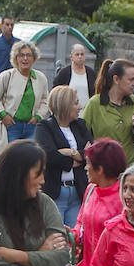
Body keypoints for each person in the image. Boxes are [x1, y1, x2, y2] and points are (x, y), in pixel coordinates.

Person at [34, 85, 92, 228]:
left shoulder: (80, 125)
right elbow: (48, 156)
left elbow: (92, 152)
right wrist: (78, 158)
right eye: (76, 103)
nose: (80, 107)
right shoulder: (44, 127)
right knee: (56, 237)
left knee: (75, 238)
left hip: (77, 191)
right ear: (65, 105)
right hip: (55, 193)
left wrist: (70, 152)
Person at [83, 59, 134, 165]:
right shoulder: (94, 104)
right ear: (116, 79)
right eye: (131, 79)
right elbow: (82, 135)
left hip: (128, 170)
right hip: (103, 169)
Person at [0, 41, 50, 151]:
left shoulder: (41, 78)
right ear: (16, 58)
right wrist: (3, 115)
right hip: (11, 126)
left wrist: (38, 117)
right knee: (12, 159)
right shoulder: (6, 76)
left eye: (28, 55)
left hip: (32, 127)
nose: (25, 58)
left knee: (30, 159)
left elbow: (45, 100)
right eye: (21, 55)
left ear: (34, 58)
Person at [52, 43, 95, 109]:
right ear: (71, 57)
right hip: (68, 114)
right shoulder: (64, 73)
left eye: (82, 54)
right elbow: (55, 92)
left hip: (86, 113)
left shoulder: (91, 73)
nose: (80, 57)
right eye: (77, 54)